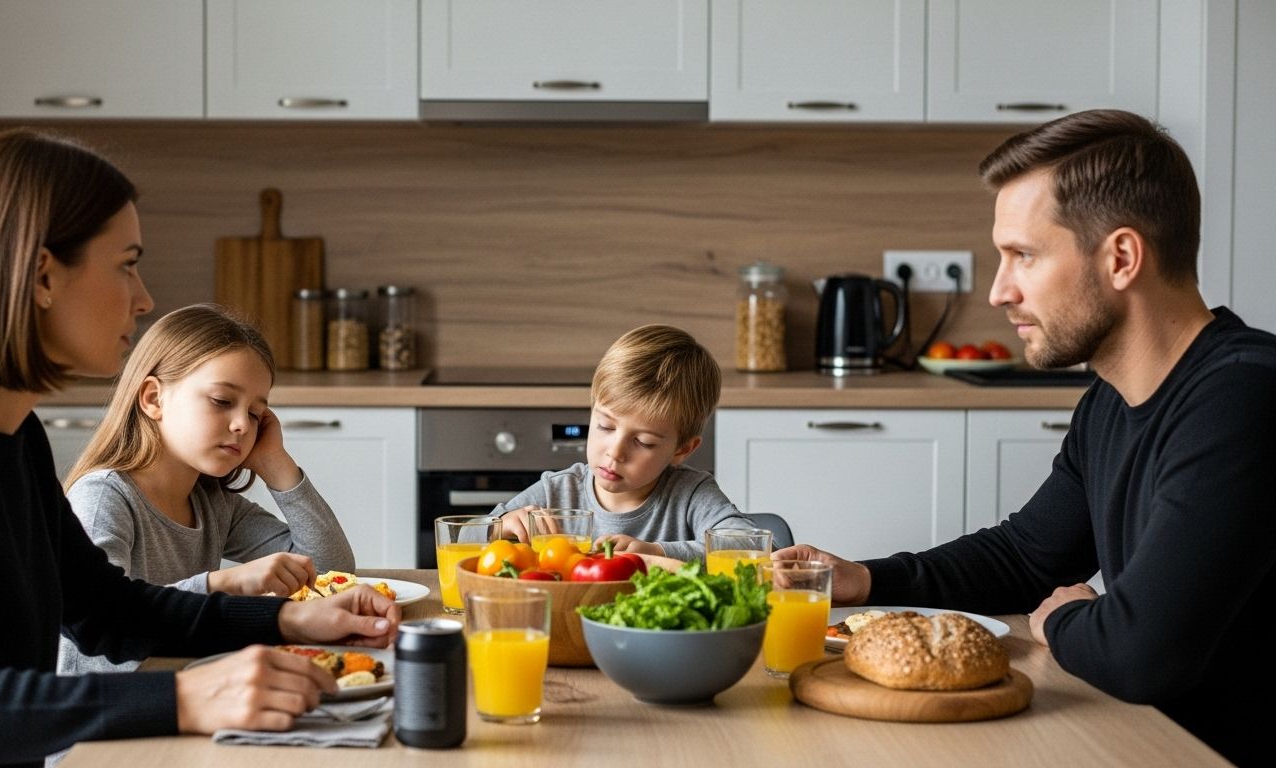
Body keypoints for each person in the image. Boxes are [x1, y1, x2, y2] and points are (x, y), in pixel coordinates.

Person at [0, 129, 398, 768]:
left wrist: (287, 622)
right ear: (42, 275)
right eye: (126, 264)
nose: (143, 298)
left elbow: (106, 609)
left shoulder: (13, 435)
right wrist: (183, 697)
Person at [774, 109, 1275, 767]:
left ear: (1121, 257)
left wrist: (1061, 619)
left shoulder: (1244, 397)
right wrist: (866, 579)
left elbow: (1137, 655)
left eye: (1023, 256)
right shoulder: (1109, 402)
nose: (999, 290)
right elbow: (1027, 558)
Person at [57, 303, 356, 677]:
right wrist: (221, 584)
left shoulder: (213, 505)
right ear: (153, 398)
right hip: (113, 716)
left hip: (189, 688)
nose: (241, 426)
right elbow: (96, 639)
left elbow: (332, 571)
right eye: (222, 401)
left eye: (254, 413)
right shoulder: (104, 498)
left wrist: (275, 462)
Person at [496, 324, 757, 561]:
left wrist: (656, 552)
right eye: (605, 426)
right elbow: (461, 539)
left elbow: (754, 549)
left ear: (682, 449)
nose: (615, 452)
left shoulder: (691, 494)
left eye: (643, 442)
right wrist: (502, 526)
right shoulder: (557, 491)